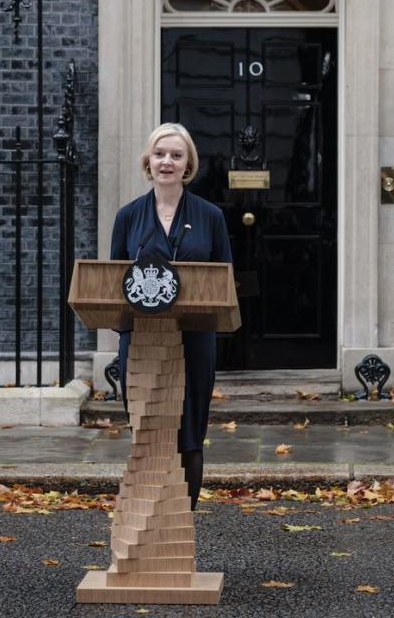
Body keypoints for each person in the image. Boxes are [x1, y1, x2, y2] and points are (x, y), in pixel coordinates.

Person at [110, 123, 232, 509]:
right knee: (148, 432)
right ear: (148, 160)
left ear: (187, 165)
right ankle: (147, 526)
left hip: (194, 339)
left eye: (176, 155)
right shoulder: (128, 216)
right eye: (160, 154)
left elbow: (224, 278)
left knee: (189, 432)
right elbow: (114, 282)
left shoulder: (210, 216)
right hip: (142, 338)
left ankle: (181, 520)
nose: (167, 161)